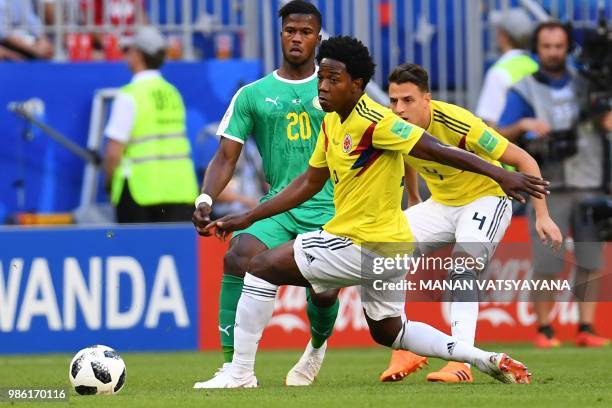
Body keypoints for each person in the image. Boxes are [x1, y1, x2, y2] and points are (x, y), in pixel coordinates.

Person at [193, 35, 550, 388]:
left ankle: (239, 374)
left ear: (357, 84)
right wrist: (250, 216)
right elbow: (308, 183)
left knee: (261, 267)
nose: (323, 86)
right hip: (390, 247)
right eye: (321, 77)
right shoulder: (333, 121)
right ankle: (481, 359)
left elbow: (436, 148)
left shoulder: (377, 122)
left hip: (361, 243)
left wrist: (501, 174)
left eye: (334, 80)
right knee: (391, 331)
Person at [376, 63, 562, 383]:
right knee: (381, 248)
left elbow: (524, 160)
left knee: (462, 266)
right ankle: (407, 346)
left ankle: (461, 359)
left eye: (407, 100)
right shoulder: (393, 124)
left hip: (487, 198)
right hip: (442, 203)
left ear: (427, 100)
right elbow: (405, 152)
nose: (399, 109)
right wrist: (414, 198)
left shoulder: (460, 123)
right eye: (393, 101)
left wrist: (542, 215)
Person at [191, 1, 341, 387]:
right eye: (291, 30)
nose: (297, 37)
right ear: (281, 35)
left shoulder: (337, 90)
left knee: (323, 292)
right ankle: (233, 370)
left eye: (306, 32)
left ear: (317, 38)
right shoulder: (253, 95)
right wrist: (205, 199)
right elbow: (225, 157)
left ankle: (316, 348)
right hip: (279, 207)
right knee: (238, 255)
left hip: (333, 208)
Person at [498, 21, 612, 348]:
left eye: (559, 46)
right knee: (548, 261)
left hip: (590, 180)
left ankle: (585, 329)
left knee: (592, 260)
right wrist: (523, 124)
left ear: (568, 48)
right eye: (547, 47)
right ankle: (545, 329)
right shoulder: (523, 88)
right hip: (547, 186)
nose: (553, 53)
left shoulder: (588, 83)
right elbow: (498, 134)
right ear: (537, 49)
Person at [102, 26, 198, 223]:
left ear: (137, 54)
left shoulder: (129, 95)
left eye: (129, 50)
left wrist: (109, 184)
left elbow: (113, 153)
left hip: (140, 193)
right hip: (180, 189)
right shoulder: (173, 93)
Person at [476, 8, 537, 127]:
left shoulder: (498, 72)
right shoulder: (536, 65)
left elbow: (489, 123)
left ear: (504, 36)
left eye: (498, 31)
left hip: (510, 142)